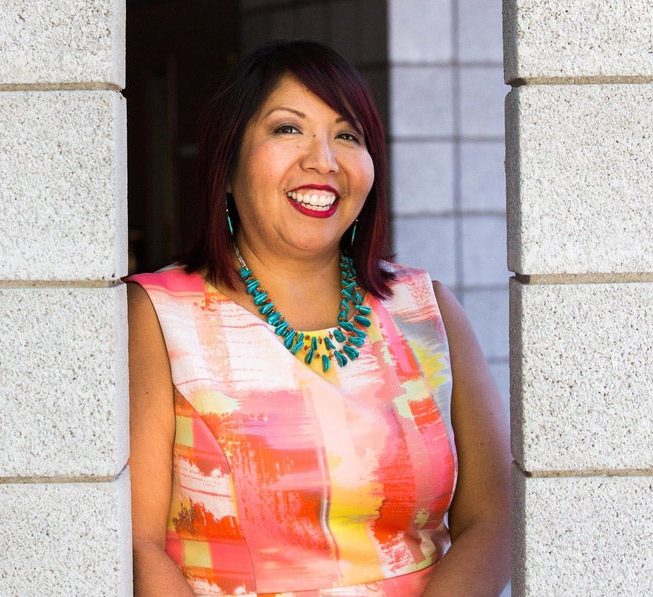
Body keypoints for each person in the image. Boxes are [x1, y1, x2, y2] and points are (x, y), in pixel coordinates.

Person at [127, 40, 511, 596]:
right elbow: (140, 545)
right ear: (227, 167)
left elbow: (494, 517)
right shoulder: (161, 315)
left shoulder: (427, 310)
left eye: (347, 135)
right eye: (288, 129)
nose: (323, 160)